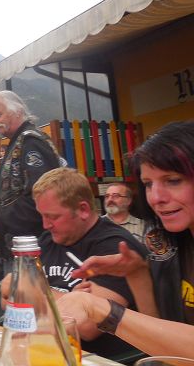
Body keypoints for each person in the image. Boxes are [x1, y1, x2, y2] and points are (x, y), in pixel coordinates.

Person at [60, 121, 194, 358]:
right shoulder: (171, 244)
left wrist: (104, 311)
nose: (156, 197)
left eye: (173, 180)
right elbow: (162, 342)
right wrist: (136, 273)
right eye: (148, 184)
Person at [0, 167, 146, 358]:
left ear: (83, 210)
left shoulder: (115, 247)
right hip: (44, 349)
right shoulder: (49, 240)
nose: (45, 224)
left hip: (97, 359)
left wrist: (28, 290)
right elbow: (6, 299)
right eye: (42, 215)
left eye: (53, 216)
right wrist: (68, 298)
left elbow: (87, 326)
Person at [0, 90, 63, 275]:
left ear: (18, 111)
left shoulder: (31, 143)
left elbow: (41, 196)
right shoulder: (17, 143)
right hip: (18, 249)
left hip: (32, 250)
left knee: (28, 294)